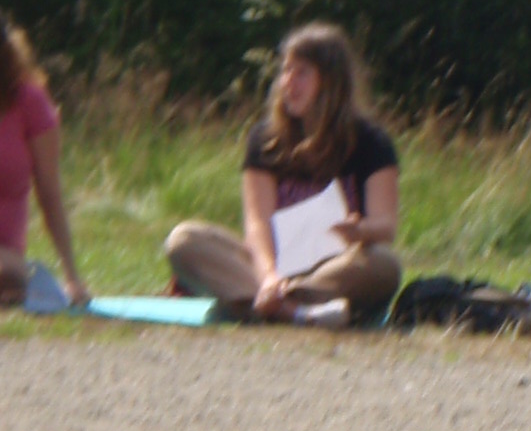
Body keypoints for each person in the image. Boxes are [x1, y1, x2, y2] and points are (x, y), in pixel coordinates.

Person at [166, 23, 402, 323]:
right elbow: (258, 224)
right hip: (271, 265)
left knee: (384, 265)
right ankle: (293, 311)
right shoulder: (266, 140)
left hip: (335, 268)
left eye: (301, 73)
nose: (288, 82)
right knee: (184, 239)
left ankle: (266, 304)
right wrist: (269, 276)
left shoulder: (372, 142)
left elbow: (386, 226)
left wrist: (360, 230)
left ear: (331, 82)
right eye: (285, 71)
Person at [0, 18, 90, 309]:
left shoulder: (29, 102)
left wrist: (72, 276)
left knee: (8, 276)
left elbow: (50, 195)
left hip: (5, 257)